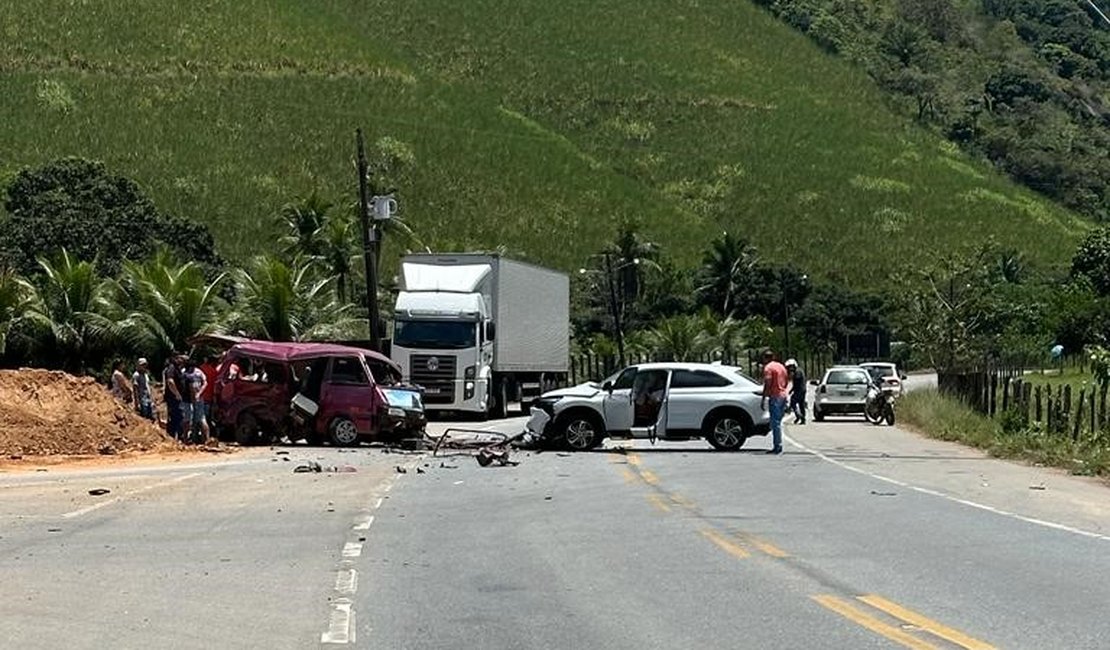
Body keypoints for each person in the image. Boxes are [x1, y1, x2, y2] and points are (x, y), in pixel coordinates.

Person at [761, 349, 789, 455]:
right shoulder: (781, 366)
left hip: (775, 396)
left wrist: (764, 397)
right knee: (778, 421)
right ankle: (778, 445)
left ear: (765, 358)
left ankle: (777, 446)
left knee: (775, 423)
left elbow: (768, 382)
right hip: (783, 395)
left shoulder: (768, 368)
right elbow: (786, 380)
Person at [181, 357, 207, 444]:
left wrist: (196, 396)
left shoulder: (185, 373)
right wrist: (200, 393)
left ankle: (186, 439)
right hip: (198, 398)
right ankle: (205, 439)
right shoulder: (199, 372)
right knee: (200, 418)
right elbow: (205, 383)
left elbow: (190, 387)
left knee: (189, 419)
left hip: (190, 399)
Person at [163, 355, 184, 440]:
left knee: (178, 417)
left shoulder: (176, 368)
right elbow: (170, 381)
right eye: (180, 358)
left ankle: (177, 436)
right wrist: (177, 394)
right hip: (173, 398)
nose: (181, 360)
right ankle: (172, 437)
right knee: (175, 417)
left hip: (175, 398)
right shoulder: (172, 368)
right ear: (175, 358)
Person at [199, 355, 219, 435]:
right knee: (206, 417)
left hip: (199, 396)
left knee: (199, 416)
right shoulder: (215, 372)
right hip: (209, 398)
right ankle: (206, 434)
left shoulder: (201, 369)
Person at [785, 358, 806, 425]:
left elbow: (797, 382)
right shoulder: (799, 370)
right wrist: (791, 390)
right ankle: (802, 418)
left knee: (793, 403)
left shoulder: (797, 372)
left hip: (799, 390)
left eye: (791, 367)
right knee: (801, 404)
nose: (790, 369)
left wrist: (792, 390)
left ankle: (800, 416)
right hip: (801, 390)